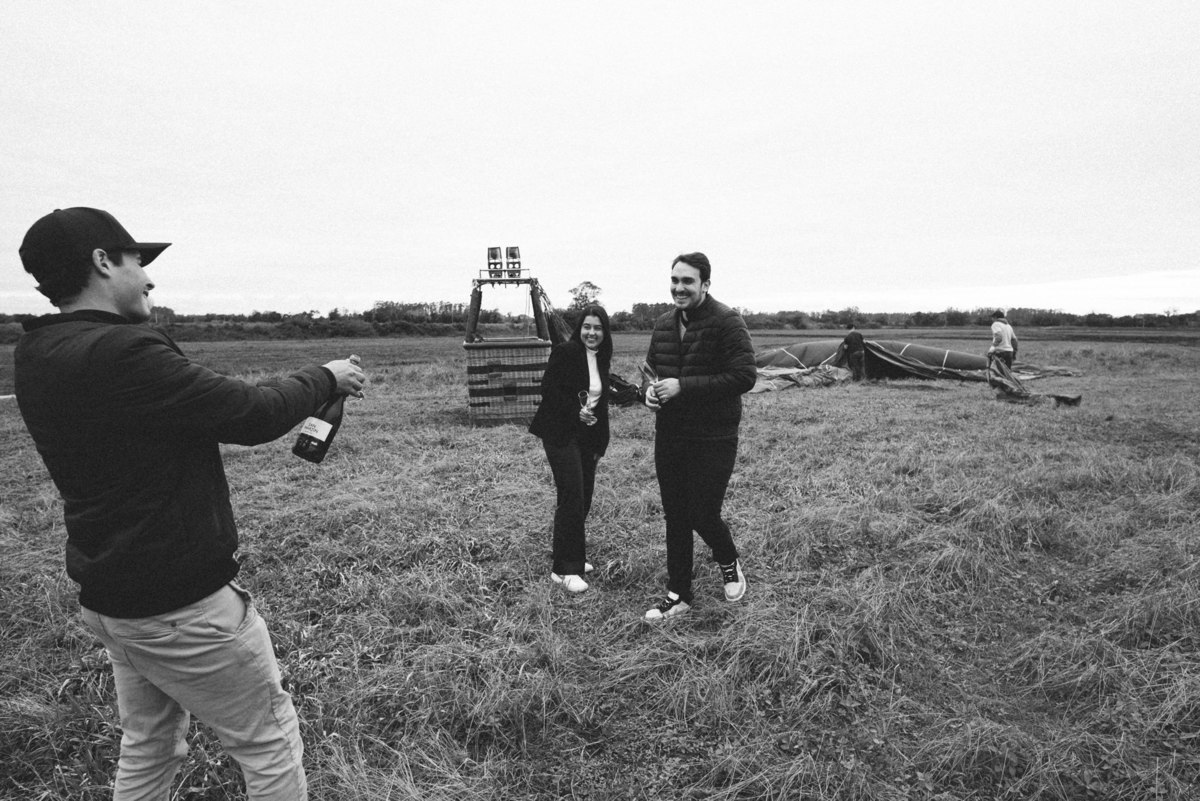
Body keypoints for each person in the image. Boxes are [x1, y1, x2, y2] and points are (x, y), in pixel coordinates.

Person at [14, 207, 367, 801]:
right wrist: (326, 376)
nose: (149, 279)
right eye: (136, 261)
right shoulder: (122, 352)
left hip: (114, 597)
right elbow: (252, 415)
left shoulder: (39, 353)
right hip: (182, 605)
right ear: (102, 261)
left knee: (149, 745)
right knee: (269, 741)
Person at [641, 252, 757, 620]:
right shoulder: (662, 324)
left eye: (687, 281)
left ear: (705, 284)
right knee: (675, 514)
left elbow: (744, 377)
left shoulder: (727, 322)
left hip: (714, 435)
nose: (679, 287)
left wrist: (683, 387)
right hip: (671, 434)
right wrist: (648, 391)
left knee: (703, 513)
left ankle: (727, 559)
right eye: (674, 280)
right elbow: (651, 370)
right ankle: (679, 594)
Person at [528, 306, 611, 593]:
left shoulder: (602, 357)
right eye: (587, 327)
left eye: (598, 328)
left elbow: (602, 403)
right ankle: (565, 569)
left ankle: (569, 554)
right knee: (572, 495)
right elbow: (549, 390)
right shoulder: (566, 352)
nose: (592, 333)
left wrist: (601, 443)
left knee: (583, 497)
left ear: (605, 332)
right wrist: (575, 411)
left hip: (586, 437)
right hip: (559, 433)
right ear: (580, 329)